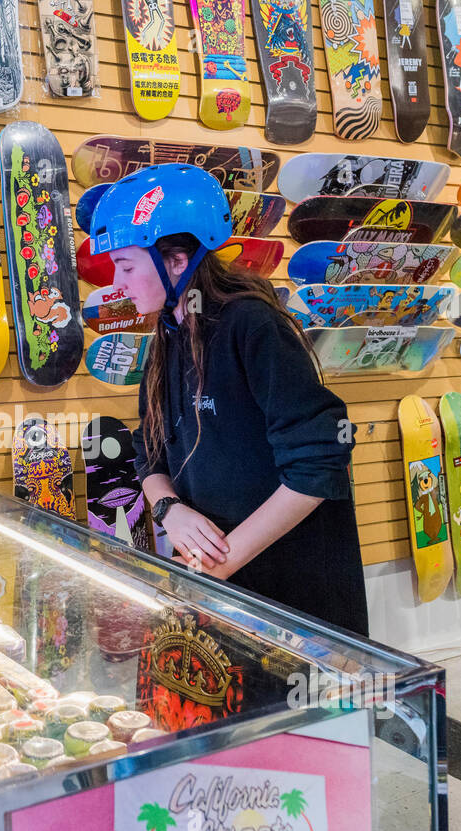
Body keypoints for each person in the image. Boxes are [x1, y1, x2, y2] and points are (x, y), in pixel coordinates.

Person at [89, 164, 369, 636]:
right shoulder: (170, 332)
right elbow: (149, 452)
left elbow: (319, 467)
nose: (118, 283)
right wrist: (169, 511)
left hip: (285, 589)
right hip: (215, 584)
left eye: (127, 266)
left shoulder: (252, 326)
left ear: (177, 261)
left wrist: (220, 564)